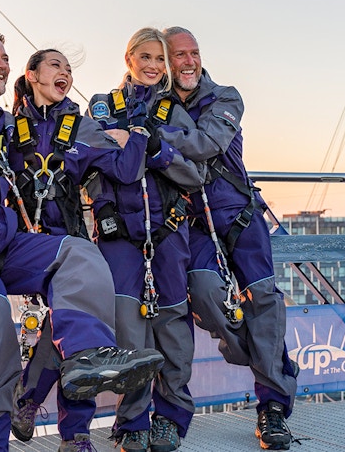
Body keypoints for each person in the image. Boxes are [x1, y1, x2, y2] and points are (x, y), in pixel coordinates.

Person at [0, 24, 164, 452]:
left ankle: (86, 359)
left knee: (81, 259)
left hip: (6, 235)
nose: (1, 64)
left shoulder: (4, 123)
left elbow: (122, 169)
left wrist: (137, 137)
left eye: (4, 58)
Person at [8, 48, 162, 451]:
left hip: (68, 243)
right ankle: (30, 400)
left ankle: (69, 431)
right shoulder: (7, 127)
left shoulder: (82, 128)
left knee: (72, 328)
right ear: (32, 74)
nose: (65, 73)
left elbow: (127, 170)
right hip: (20, 242)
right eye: (56, 65)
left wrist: (138, 135)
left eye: (69, 69)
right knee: (73, 329)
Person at [160, 26, 298, 451]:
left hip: (239, 215)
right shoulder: (154, 102)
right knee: (203, 292)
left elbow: (207, 144)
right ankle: (261, 357)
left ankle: (272, 407)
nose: (189, 62)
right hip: (195, 222)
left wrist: (151, 138)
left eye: (193, 53)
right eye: (178, 55)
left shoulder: (226, 97)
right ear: (164, 62)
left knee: (264, 303)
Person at [87, 27, 205, 452]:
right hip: (119, 233)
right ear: (129, 58)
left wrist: (157, 151)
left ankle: (170, 417)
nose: (155, 66)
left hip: (168, 230)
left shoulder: (174, 112)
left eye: (161, 59)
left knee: (172, 326)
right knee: (128, 330)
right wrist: (103, 212)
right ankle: (132, 418)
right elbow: (92, 168)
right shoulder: (103, 107)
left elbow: (197, 174)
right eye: (147, 57)